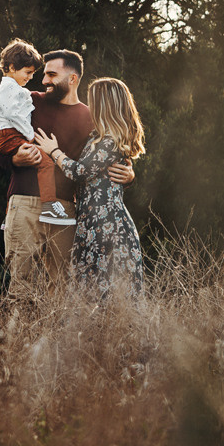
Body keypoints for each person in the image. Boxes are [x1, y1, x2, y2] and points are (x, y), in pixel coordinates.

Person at [0, 50, 134, 295]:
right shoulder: (28, 101)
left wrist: (128, 176)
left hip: (65, 210)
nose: (44, 80)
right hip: (24, 203)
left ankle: (56, 336)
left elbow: (110, 157)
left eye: (51, 75)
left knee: (64, 289)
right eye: (44, 74)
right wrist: (15, 158)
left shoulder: (92, 118)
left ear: (73, 78)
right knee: (21, 287)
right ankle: (19, 335)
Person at [35, 77, 145, 296]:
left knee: (108, 294)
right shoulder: (98, 138)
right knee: (92, 294)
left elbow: (80, 172)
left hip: (107, 227)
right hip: (92, 224)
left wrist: (53, 151)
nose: (89, 107)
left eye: (93, 101)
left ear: (104, 105)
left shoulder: (110, 141)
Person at [0, 38, 75, 225]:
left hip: (12, 136)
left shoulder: (17, 90)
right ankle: (49, 206)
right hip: (12, 138)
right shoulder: (13, 91)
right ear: (12, 67)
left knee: (44, 162)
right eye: (28, 72)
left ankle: (13, 216)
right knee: (45, 163)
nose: (33, 78)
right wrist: (27, 139)